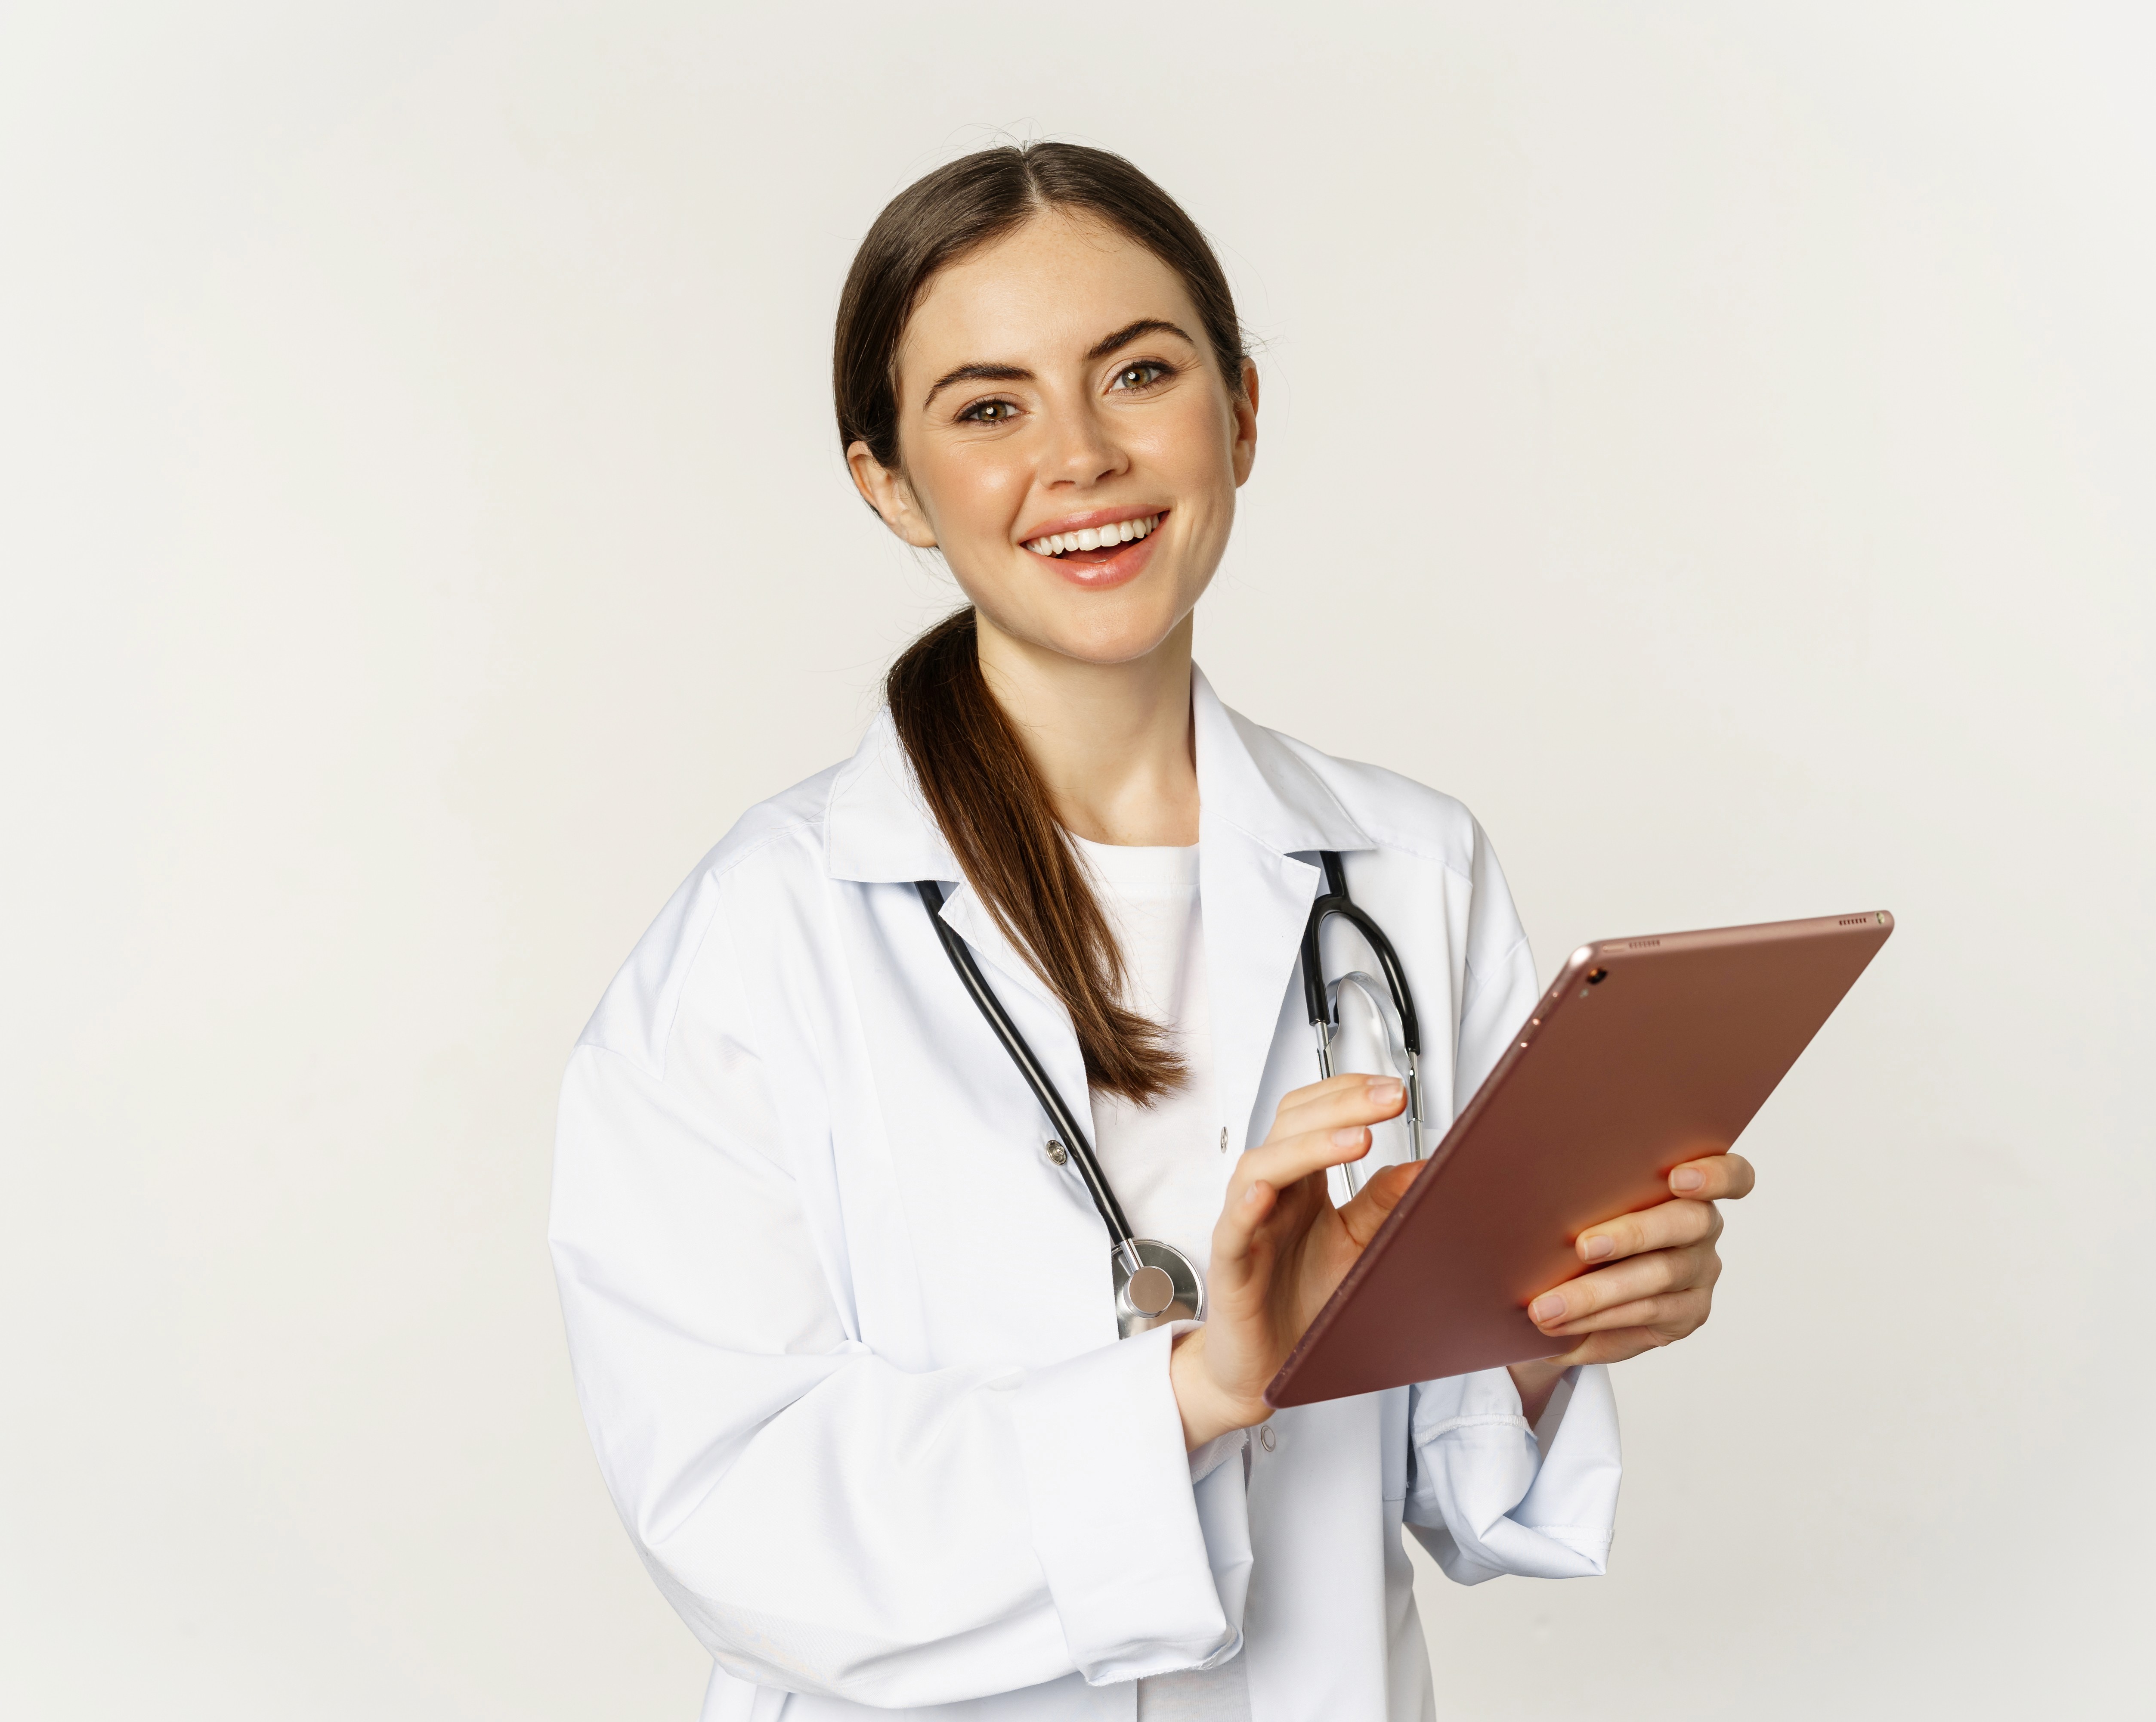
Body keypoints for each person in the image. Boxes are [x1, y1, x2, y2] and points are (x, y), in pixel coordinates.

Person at [550, 142, 1752, 1722]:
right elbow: (737, 1521)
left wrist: (1552, 1334)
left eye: (1138, 373)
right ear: (889, 485)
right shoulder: (762, 933)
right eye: (989, 408)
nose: (1083, 457)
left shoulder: (1407, 870)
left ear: (1241, 413)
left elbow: (1458, 1481)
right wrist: (1199, 1390)